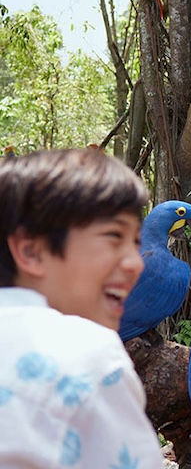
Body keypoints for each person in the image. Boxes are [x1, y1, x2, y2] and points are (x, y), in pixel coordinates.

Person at [0, 148, 167, 468]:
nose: (135, 263)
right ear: (31, 250)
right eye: (113, 237)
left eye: (135, 242)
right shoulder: (88, 355)